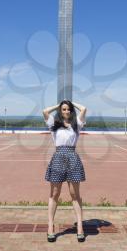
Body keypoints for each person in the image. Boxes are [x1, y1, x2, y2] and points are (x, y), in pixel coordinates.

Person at [42, 100, 87, 242]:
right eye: (64, 109)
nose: (66, 111)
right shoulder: (54, 124)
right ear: (60, 111)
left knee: (75, 194)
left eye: (68, 109)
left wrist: (72, 103)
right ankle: (50, 226)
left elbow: (84, 108)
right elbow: (45, 111)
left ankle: (80, 227)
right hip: (58, 158)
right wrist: (59, 104)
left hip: (72, 158)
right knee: (54, 194)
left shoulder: (77, 124)